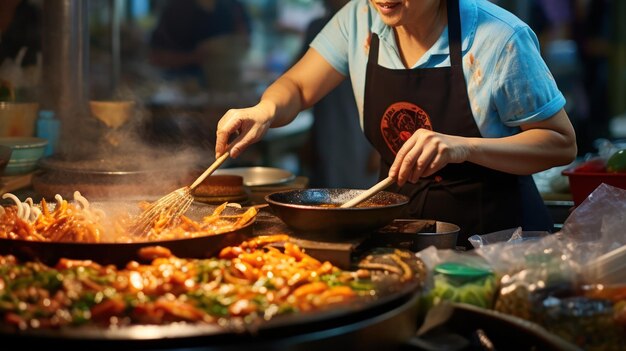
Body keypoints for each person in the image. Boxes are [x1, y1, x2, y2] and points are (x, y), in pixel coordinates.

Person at [214, 0, 578, 248]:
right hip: (399, 234)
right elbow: (297, 86)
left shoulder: (498, 37)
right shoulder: (360, 18)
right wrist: (265, 109)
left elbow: (560, 142)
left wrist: (463, 146)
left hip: (498, 242)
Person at [299, 0, 380, 188]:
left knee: (361, 198)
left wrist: (379, 151)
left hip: (361, 139)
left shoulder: (376, 24)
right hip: (327, 133)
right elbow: (300, 85)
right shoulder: (318, 27)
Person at [148, 0, 251, 88]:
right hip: (184, 89)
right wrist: (194, 57)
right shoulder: (176, 9)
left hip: (227, 89)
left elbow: (245, 42)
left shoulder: (233, 7)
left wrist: (237, 43)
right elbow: (156, 57)